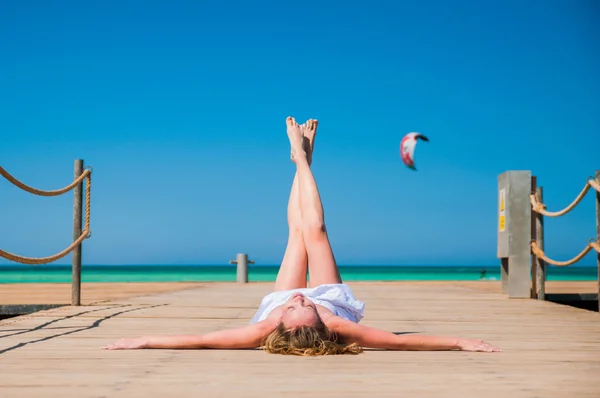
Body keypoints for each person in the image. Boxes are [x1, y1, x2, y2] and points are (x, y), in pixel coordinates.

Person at [102, 117, 501, 355]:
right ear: (323, 323)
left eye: (295, 307)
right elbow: (399, 342)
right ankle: (302, 160)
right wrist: (459, 342)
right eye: (303, 306)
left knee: (296, 231)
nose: (300, 298)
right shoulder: (336, 323)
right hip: (335, 299)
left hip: (271, 304)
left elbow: (204, 339)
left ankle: (301, 160)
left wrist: (145, 340)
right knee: (316, 229)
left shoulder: (267, 324)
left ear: (280, 323)